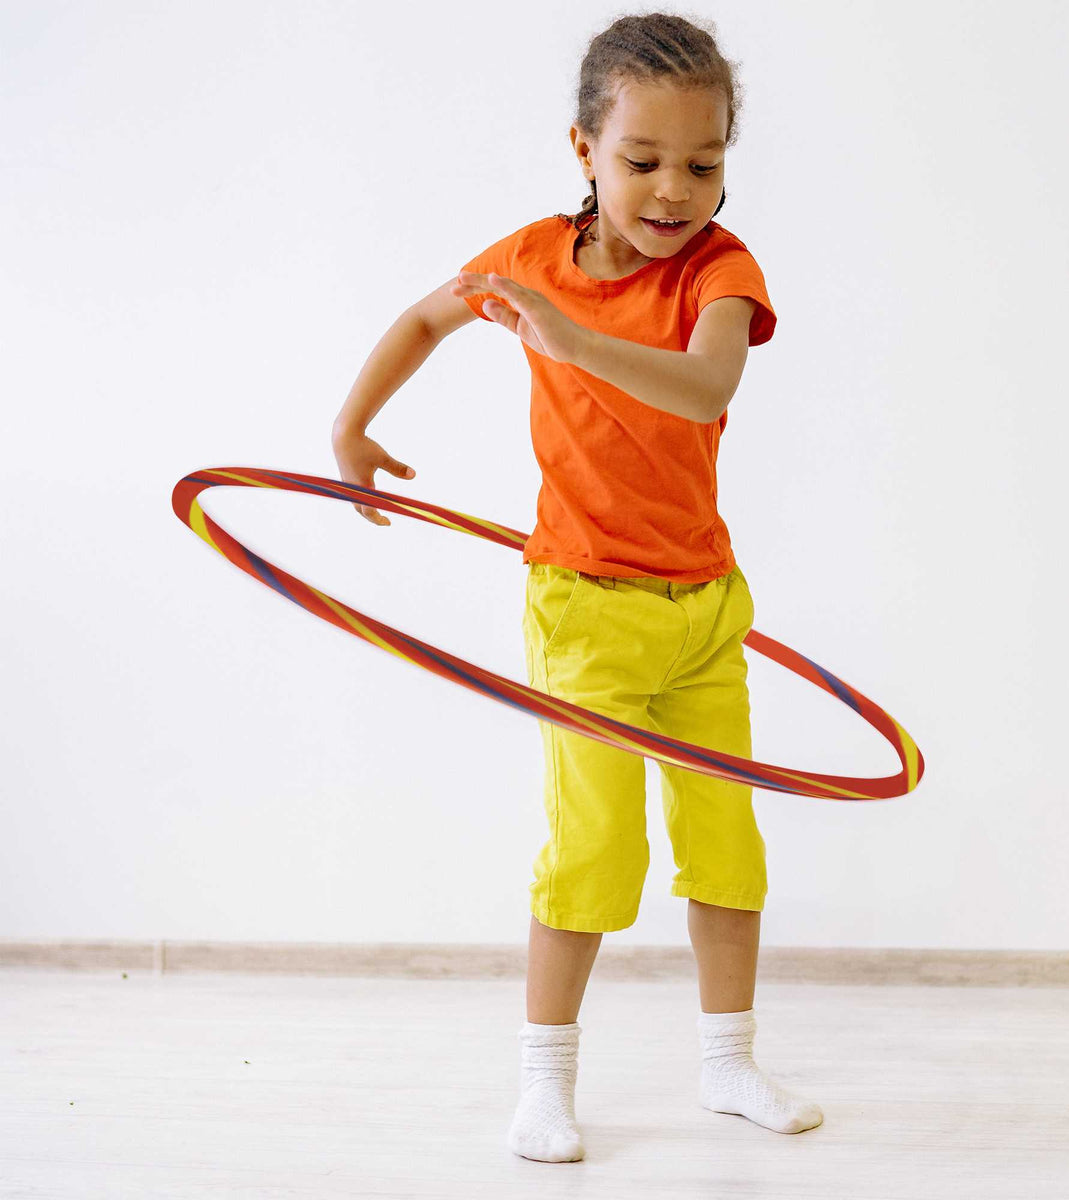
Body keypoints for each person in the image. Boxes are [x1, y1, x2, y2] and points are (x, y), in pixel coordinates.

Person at [332, 11, 822, 1166]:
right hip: (585, 605)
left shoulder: (722, 271)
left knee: (726, 848)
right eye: (642, 160)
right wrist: (355, 424)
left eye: (703, 165)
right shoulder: (532, 262)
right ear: (582, 151)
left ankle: (726, 1062)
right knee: (592, 852)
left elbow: (703, 390)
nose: (673, 190)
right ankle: (544, 1085)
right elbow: (425, 316)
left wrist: (559, 339)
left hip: (704, 610)